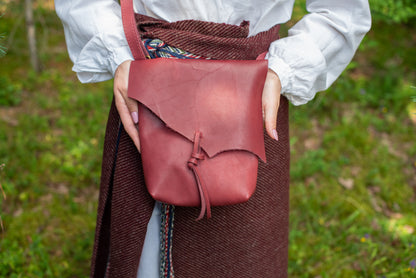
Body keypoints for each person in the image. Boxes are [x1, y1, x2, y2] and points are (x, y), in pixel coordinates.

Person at [55, 1, 371, 277]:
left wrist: (281, 71)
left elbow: (342, 12)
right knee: (145, 251)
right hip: (149, 88)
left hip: (254, 94)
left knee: (246, 253)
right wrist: (119, 54)